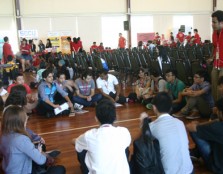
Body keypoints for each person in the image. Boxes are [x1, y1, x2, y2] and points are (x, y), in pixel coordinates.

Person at [0, 105, 66, 174]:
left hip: (9, 169)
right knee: (60, 169)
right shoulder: (21, 139)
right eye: (25, 121)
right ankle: (45, 157)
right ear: (20, 123)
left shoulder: (4, 135)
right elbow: (41, 161)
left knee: (39, 146)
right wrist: (39, 153)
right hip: (23, 170)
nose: (26, 123)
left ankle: (44, 157)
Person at [73, 99, 131, 174]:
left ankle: (84, 169)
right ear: (115, 118)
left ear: (96, 118)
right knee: (125, 147)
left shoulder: (90, 135)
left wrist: (76, 141)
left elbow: (74, 142)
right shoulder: (124, 131)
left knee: (80, 148)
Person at [142, 92, 193, 174]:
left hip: (169, 172)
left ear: (154, 108)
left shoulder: (152, 126)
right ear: (170, 108)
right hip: (189, 170)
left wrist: (143, 124)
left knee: (150, 144)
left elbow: (138, 141)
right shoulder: (180, 123)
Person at [187, 98, 223, 173]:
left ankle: (196, 153)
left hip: (217, 168)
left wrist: (196, 124)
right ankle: (196, 153)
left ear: (220, 112)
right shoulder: (217, 125)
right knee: (208, 134)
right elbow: (216, 121)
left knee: (195, 132)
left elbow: (190, 127)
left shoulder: (216, 127)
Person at [209, 10, 223, 102]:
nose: (212, 24)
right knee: (214, 85)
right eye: (212, 22)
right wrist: (212, 57)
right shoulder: (214, 33)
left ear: (221, 23)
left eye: (214, 22)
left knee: (221, 87)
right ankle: (216, 108)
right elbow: (215, 47)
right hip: (216, 64)